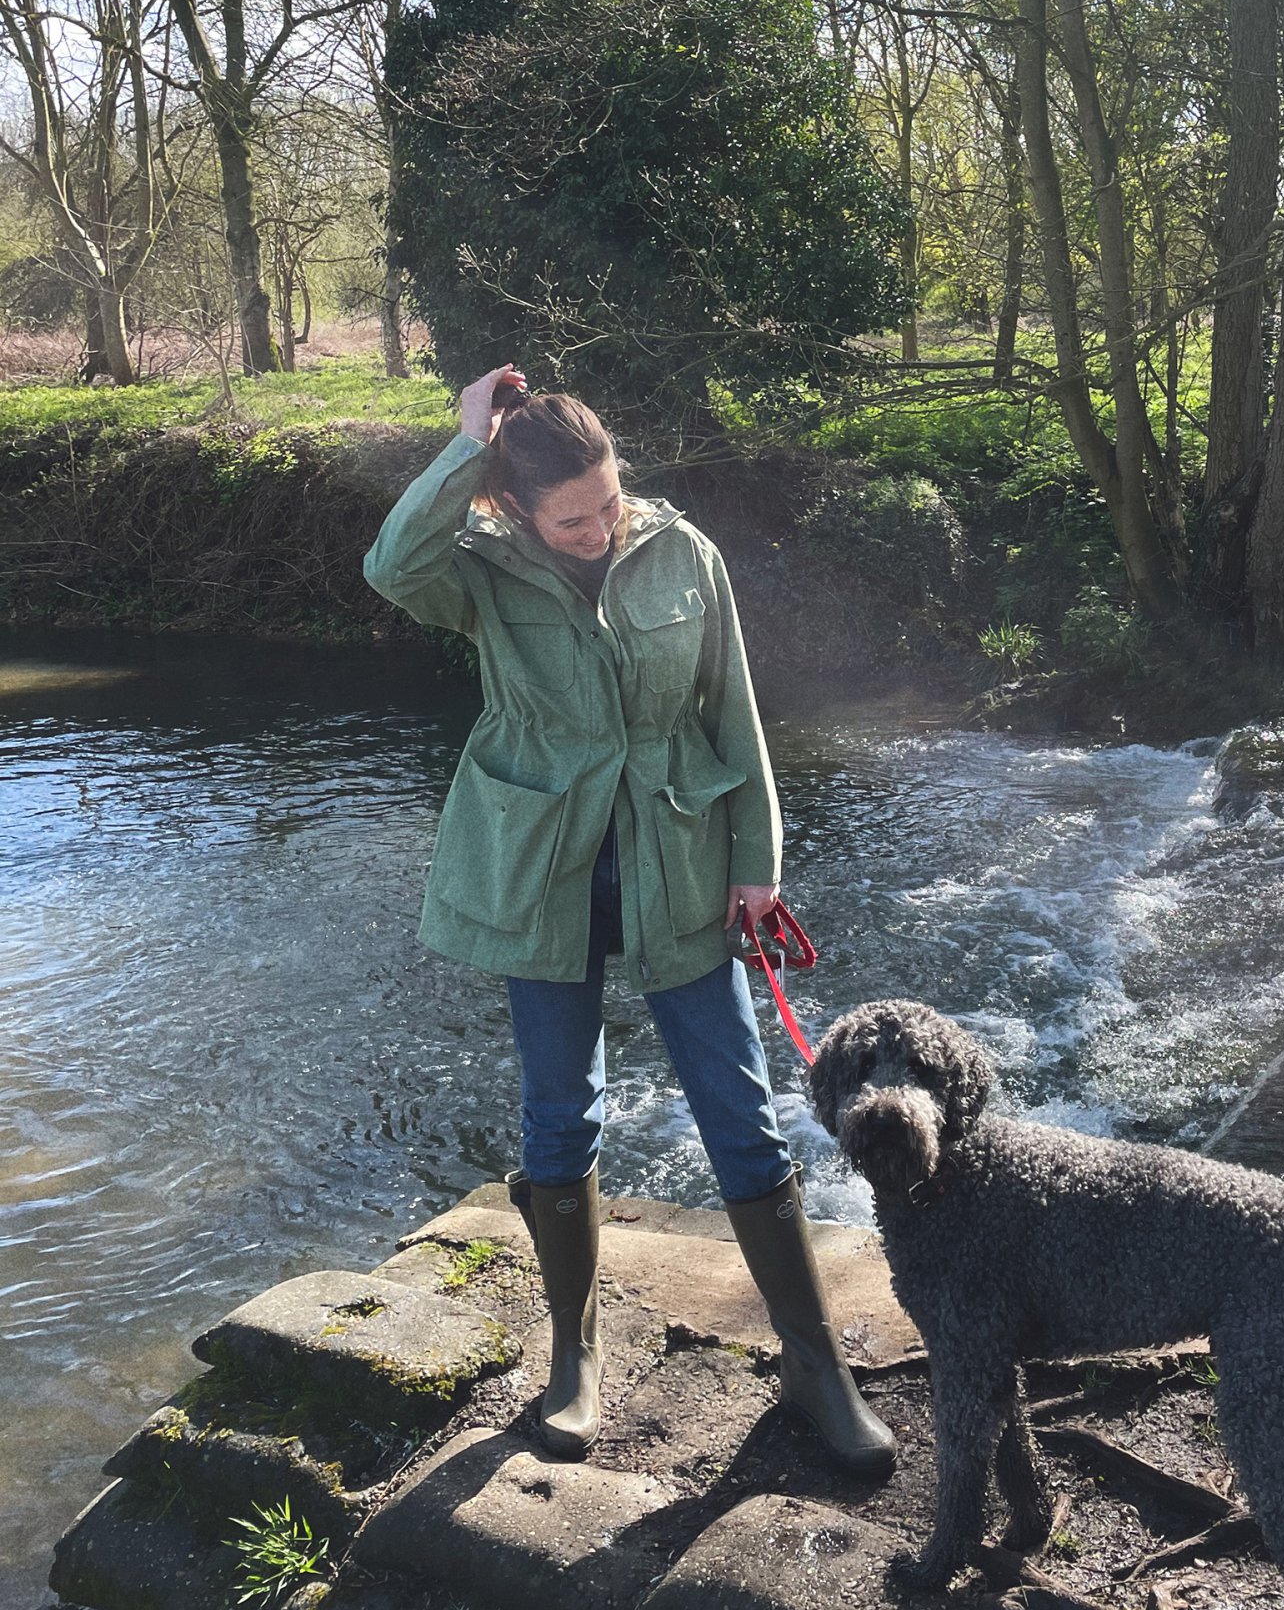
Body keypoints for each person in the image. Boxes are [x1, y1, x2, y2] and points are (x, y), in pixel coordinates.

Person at [364, 362, 895, 1478]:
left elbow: (735, 717)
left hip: (681, 858)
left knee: (739, 1111)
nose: (601, 526)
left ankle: (815, 1368)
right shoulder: (477, 563)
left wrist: (758, 864)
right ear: (512, 506)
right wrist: (469, 442)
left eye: (610, 500)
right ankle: (576, 1360)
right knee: (559, 1116)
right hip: (537, 868)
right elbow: (387, 564)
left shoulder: (682, 553)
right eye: (573, 516)